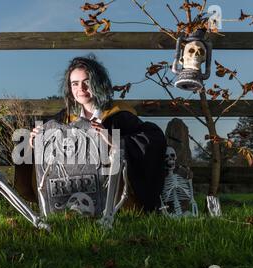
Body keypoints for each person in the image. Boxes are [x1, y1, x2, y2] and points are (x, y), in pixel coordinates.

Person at [16, 55, 167, 213]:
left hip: (112, 196)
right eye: (75, 83)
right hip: (71, 191)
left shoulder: (119, 115)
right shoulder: (62, 119)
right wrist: (34, 143)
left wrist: (114, 140)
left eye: (86, 82)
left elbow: (152, 139)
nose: (81, 88)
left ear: (97, 83)